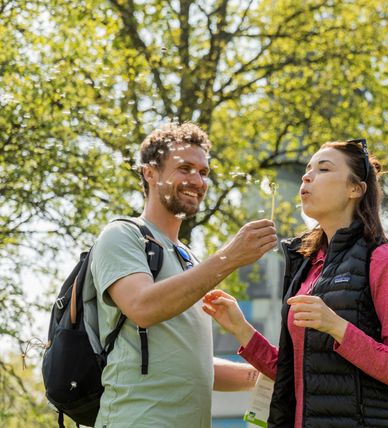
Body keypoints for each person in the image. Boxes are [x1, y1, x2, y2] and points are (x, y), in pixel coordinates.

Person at [203, 139, 388, 427]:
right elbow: (294, 376)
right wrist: (241, 329)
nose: (307, 176)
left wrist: (336, 326)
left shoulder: (385, 260)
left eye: (324, 169)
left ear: (355, 189)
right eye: (308, 169)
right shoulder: (307, 268)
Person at [87, 122, 278, 427]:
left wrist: (264, 372)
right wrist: (230, 257)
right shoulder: (123, 235)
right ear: (150, 173)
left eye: (203, 172)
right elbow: (142, 307)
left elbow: (191, 364)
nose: (198, 180)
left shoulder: (190, 259)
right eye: (185, 168)